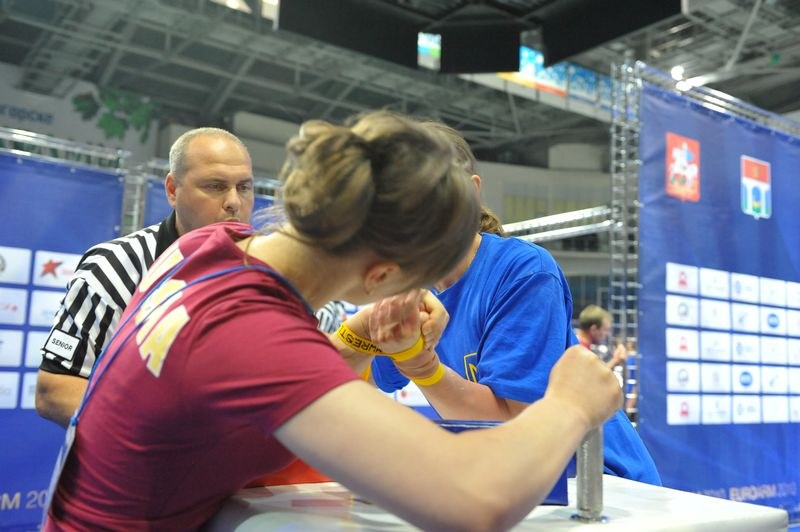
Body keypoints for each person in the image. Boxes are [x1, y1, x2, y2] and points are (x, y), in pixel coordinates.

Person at [44, 111, 622, 531]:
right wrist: (570, 404)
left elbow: (281, 380)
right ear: (379, 276)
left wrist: (358, 333)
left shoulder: (211, 249)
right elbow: (471, 499)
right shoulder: (250, 334)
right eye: (417, 280)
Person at [369, 120, 661, 485]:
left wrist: (421, 367)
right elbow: (367, 378)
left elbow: (514, 422)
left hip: (601, 483)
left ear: (472, 193)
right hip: (523, 482)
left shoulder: (523, 271)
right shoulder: (415, 290)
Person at [35, 127, 345, 428]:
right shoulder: (116, 266)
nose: (234, 202)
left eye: (244, 187)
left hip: (248, 476)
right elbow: (56, 388)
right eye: (215, 186)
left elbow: (326, 360)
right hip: (145, 473)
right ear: (172, 190)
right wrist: (162, 435)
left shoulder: (275, 271)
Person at [576, 304, 628, 370]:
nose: (607, 334)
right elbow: (591, 378)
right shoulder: (580, 350)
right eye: (605, 329)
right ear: (594, 329)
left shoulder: (579, 346)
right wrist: (615, 361)